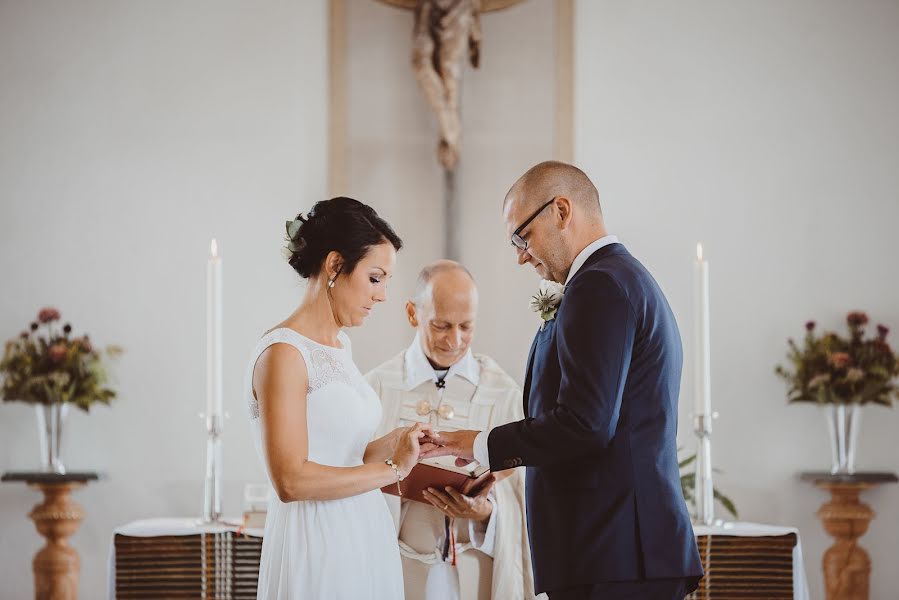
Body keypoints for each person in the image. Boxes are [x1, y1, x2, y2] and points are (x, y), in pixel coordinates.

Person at [422, 162, 704, 599]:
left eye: (522, 236)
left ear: (561, 210)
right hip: (615, 552)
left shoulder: (601, 286)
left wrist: (478, 444)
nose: (520, 255)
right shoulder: (617, 278)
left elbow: (585, 423)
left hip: (616, 555)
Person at [246, 196, 432, 599]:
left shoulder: (340, 347)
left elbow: (341, 454)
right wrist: (393, 470)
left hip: (361, 532)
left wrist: (396, 444)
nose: (382, 295)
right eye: (375, 277)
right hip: (315, 544)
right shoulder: (283, 353)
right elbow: (290, 480)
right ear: (334, 265)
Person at [366, 260, 541, 600]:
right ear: (413, 314)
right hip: (396, 571)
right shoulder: (376, 390)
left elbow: (527, 495)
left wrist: (488, 512)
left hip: (476, 574)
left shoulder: (505, 397)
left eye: (466, 326)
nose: (455, 340)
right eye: (441, 325)